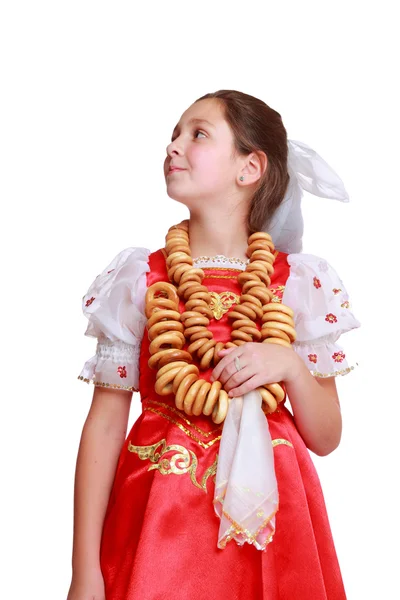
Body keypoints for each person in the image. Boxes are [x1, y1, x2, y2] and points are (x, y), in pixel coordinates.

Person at [67, 90, 360, 600]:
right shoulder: (141, 279)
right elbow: (105, 425)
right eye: (174, 134)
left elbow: (327, 436)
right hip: (157, 519)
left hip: (275, 526)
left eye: (197, 134)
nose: (174, 146)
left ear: (250, 168)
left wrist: (290, 366)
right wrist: (84, 570)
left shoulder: (297, 284)